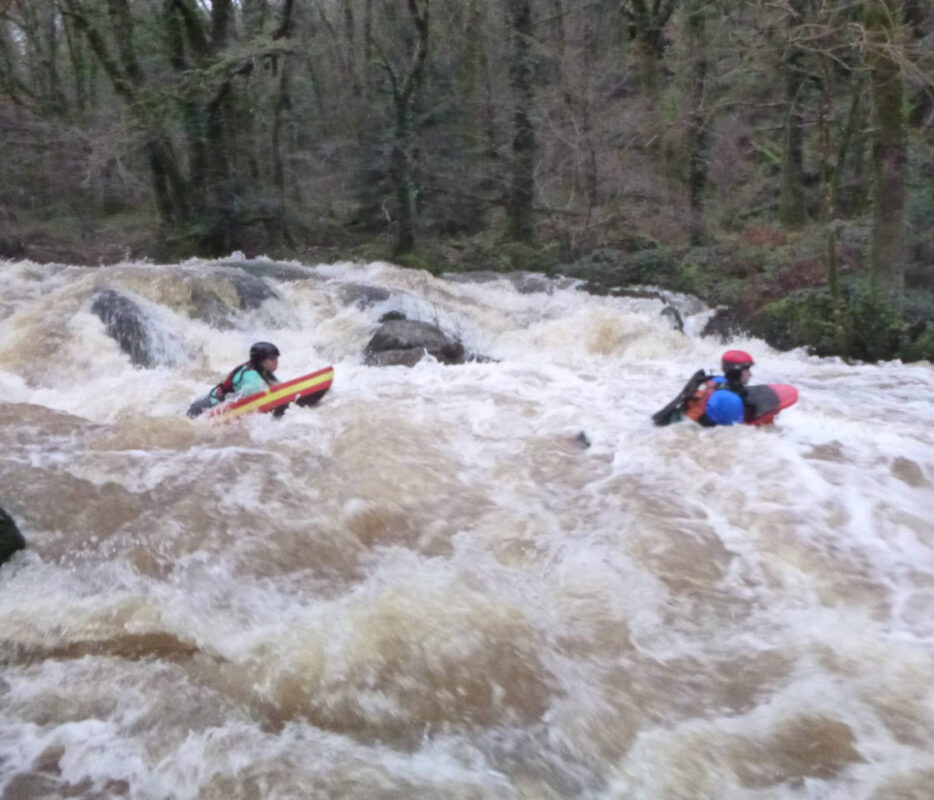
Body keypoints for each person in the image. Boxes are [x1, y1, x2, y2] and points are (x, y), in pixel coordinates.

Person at [652, 350, 755, 427]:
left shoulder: (716, 380)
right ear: (736, 372)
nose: (750, 374)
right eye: (747, 369)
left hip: (681, 420)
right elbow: (737, 433)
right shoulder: (731, 400)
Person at [187, 341, 281, 418]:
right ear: (260, 360)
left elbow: (278, 389)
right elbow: (256, 402)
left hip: (215, 402)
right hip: (204, 408)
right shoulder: (250, 376)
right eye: (272, 359)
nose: (276, 362)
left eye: (277, 358)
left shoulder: (263, 370)